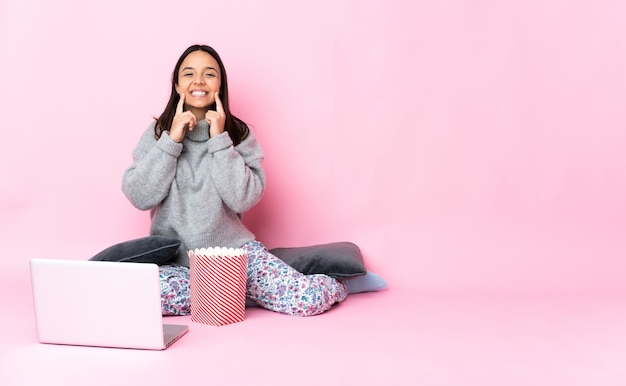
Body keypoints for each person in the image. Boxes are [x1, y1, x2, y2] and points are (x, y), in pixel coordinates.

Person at [122, 44, 382, 317]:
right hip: (178, 265)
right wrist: (171, 141)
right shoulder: (157, 133)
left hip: (234, 254)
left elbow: (242, 198)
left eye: (209, 74)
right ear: (177, 85)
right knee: (141, 298)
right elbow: (140, 196)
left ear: (220, 85)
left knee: (306, 300)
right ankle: (239, 294)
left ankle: (342, 283)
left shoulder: (238, 134)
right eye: (189, 74)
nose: (198, 81)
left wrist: (219, 140)